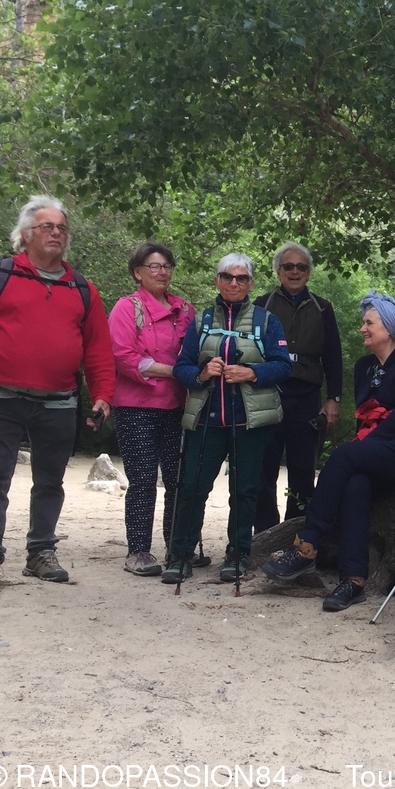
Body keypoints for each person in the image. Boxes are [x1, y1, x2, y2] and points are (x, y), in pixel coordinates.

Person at [0, 195, 115, 589]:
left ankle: (40, 552)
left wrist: (103, 393)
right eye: (48, 227)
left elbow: (98, 347)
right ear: (26, 234)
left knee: (50, 481)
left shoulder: (83, 289)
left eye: (62, 228)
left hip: (59, 401)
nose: (56, 233)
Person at [262, 291, 395, 612]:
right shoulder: (364, 367)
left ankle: (307, 545)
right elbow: (364, 418)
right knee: (356, 484)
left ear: (389, 327)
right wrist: (364, 447)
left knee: (345, 455)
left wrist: (362, 447)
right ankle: (354, 579)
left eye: (369, 323)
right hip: (379, 450)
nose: (362, 328)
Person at [167, 254, 291, 583]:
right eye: (227, 276)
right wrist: (202, 373)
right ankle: (181, 555)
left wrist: (252, 372)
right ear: (217, 280)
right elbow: (181, 368)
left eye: (241, 278)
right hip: (206, 421)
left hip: (249, 422)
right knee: (192, 488)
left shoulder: (267, 321)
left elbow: (283, 365)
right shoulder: (201, 321)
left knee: (245, 491)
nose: (234, 283)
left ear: (251, 283)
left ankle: (238, 554)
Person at [109, 242, 195, 577]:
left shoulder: (184, 309)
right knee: (143, 479)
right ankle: (138, 551)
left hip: (177, 406)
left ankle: (177, 547)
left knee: (178, 479)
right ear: (137, 272)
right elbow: (124, 356)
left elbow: (194, 352)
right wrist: (175, 371)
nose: (162, 272)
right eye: (154, 266)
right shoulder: (126, 307)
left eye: (167, 266)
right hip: (136, 406)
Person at [253, 243, 343, 531]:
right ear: (278, 271)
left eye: (301, 267)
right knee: (264, 467)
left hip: (307, 397)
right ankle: (265, 531)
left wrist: (333, 398)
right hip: (268, 393)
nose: (295, 272)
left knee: (303, 470)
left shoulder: (322, 307)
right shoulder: (261, 304)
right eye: (288, 266)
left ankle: (296, 532)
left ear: (309, 272)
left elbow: (333, 356)